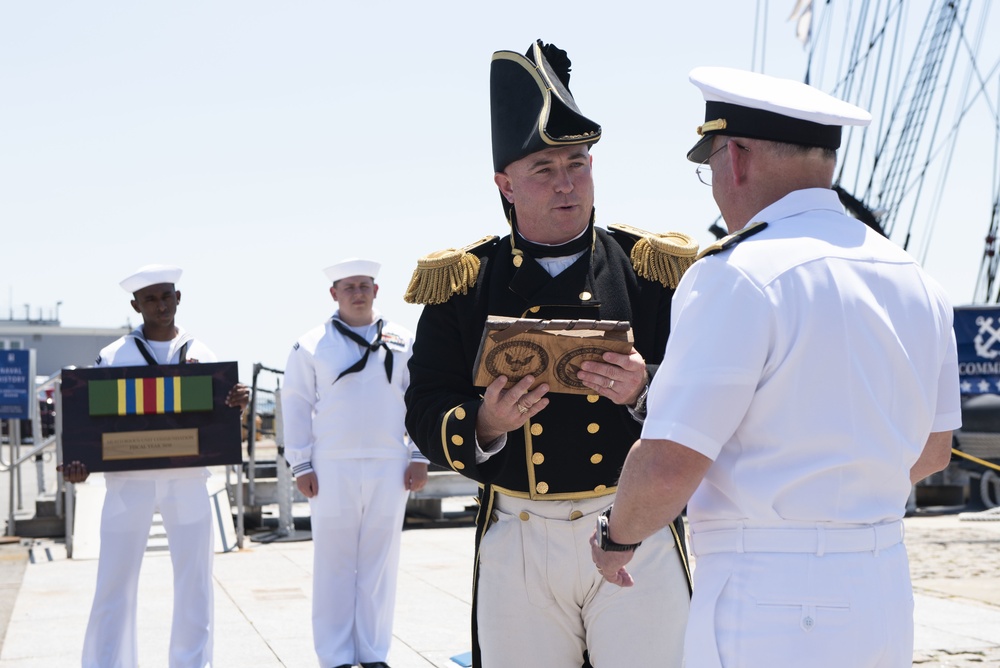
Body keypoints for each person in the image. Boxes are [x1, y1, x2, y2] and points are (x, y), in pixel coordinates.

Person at [591, 67, 962, 667]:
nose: (713, 184)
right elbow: (933, 451)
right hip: (881, 589)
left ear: (735, 157)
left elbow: (668, 462)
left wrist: (617, 537)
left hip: (768, 595)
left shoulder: (737, 273)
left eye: (709, 165)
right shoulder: (916, 279)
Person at [403, 40, 696, 668]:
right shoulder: (462, 280)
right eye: (544, 170)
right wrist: (484, 425)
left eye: (578, 163)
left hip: (635, 524)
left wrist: (648, 390)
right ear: (505, 185)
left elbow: (709, 395)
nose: (567, 184)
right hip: (519, 535)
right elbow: (424, 404)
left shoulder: (653, 270)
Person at [60, 263, 249, 668]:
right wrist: (79, 463)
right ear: (135, 305)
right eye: (150, 299)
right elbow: (88, 420)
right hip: (129, 483)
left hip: (188, 480)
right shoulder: (113, 355)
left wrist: (238, 408)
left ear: (178, 298)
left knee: (196, 582)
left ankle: (192, 663)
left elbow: (225, 425)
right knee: (114, 580)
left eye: (166, 296)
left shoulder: (204, 352)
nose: (160, 305)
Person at [281, 258, 429, 668]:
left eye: (365, 285)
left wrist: (419, 454)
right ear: (334, 293)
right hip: (331, 466)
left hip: (389, 462)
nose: (358, 293)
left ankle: (373, 652)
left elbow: (419, 400)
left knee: (380, 563)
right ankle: (335, 655)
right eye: (349, 287)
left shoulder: (403, 339)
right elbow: (294, 403)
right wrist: (300, 463)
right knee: (334, 563)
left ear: (377, 290)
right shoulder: (311, 344)